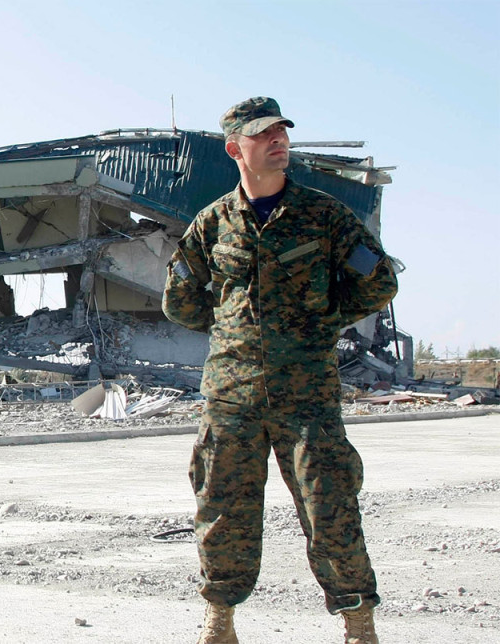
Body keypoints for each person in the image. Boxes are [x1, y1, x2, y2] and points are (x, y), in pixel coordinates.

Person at [162, 97, 398, 644]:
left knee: (330, 504)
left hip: (307, 392)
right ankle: (219, 622)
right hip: (232, 393)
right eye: (264, 134)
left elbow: (378, 281)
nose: (278, 141)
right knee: (221, 508)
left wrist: (319, 321)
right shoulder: (212, 223)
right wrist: (232, 331)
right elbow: (180, 299)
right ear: (235, 148)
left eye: (281, 132)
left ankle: (358, 624)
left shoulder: (325, 215)